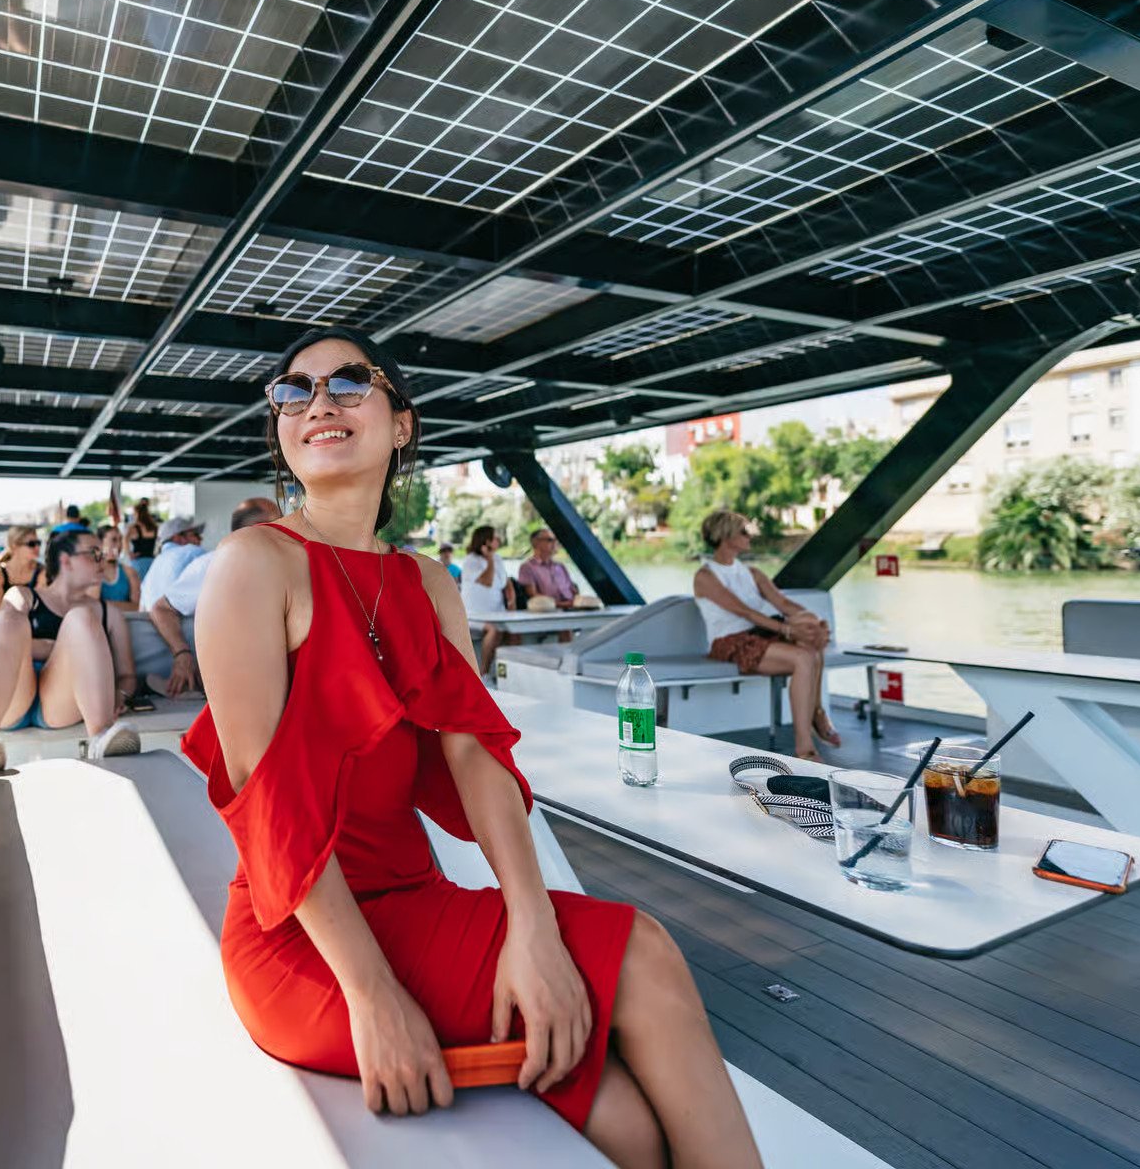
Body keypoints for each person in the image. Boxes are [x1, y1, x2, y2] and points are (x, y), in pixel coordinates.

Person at [182, 325, 759, 1165]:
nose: (318, 403)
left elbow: (474, 755)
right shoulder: (253, 564)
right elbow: (268, 808)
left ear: (401, 422)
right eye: (294, 390)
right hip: (306, 938)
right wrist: (374, 994)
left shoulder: (427, 582)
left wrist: (532, 923)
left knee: (629, 1126)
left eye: (348, 382)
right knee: (643, 954)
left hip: (419, 898)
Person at [0, 527, 144, 772]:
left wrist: (121, 695)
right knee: (8, 616)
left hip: (62, 701)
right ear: (66, 560)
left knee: (81, 618)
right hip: (14, 694)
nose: (104, 559)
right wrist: (59, 649)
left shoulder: (109, 613)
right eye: (94, 553)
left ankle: (101, 735)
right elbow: (3, 639)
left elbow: (128, 675)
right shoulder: (25, 595)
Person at [693, 508, 838, 761]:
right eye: (744, 531)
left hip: (760, 634)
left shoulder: (752, 573)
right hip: (730, 641)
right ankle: (805, 748)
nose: (750, 536)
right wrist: (788, 629)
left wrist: (814, 621)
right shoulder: (705, 576)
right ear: (726, 536)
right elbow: (744, 611)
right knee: (803, 657)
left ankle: (817, 712)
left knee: (812, 638)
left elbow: (783, 603)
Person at [148, 497, 281, 698]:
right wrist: (182, 654)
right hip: (240, 680)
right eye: (280, 526)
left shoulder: (281, 566)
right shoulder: (213, 563)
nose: (288, 532)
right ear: (256, 530)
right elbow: (161, 608)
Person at [459, 525, 515, 676]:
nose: (499, 540)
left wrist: (511, 601)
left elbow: (505, 581)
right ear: (486, 541)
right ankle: (482, 673)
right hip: (473, 615)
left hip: (496, 612)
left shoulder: (498, 558)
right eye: (495, 538)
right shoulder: (471, 561)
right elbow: (487, 581)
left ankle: (508, 673)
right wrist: (489, 559)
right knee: (493, 630)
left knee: (514, 631)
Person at [517, 529, 580, 645]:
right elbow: (533, 596)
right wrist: (562, 604)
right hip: (548, 611)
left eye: (556, 540)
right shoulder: (527, 567)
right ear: (536, 543)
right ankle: (568, 659)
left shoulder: (560, 566)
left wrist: (578, 602)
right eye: (550, 540)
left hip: (571, 607)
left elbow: (573, 590)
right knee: (565, 623)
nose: (555, 543)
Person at [138, 515, 206, 611]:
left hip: (155, 623)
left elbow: (142, 610)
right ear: (177, 538)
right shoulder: (192, 552)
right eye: (195, 534)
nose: (200, 539)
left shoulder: (152, 569)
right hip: (188, 623)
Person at [0, 524, 42, 613]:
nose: (37, 547)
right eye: (32, 544)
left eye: (38, 543)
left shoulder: (41, 572)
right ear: (14, 546)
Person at [97, 524, 142, 611]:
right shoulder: (91, 572)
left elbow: (137, 607)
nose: (119, 545)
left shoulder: (130, 572)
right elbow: (90, 606)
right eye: (114, 540)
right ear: (100, 544)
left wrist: (102, 604)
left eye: (120, 540)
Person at [128, 498, 160, 584]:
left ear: (137, 513)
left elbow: (124, 539)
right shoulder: (154, 527)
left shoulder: (133, 528)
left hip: (138, 563)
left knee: (137, 589)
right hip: (152, 562)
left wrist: (128, 553)